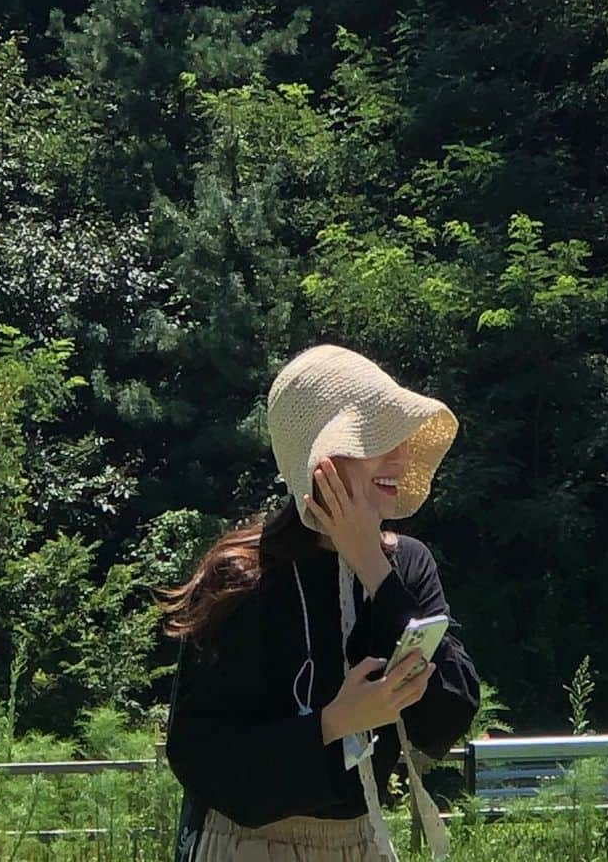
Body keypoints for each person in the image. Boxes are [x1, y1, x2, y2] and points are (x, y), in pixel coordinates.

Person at [155, 344, 481, 861]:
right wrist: (333, 723)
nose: (399, 456)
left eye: (399, 437)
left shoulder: (407, 565)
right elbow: (199, 756)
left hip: (363, 841)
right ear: (322, 458)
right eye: (377, 440)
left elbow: (450, 713)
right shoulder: (242, 578)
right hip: (249, 846)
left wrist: (373, 569)